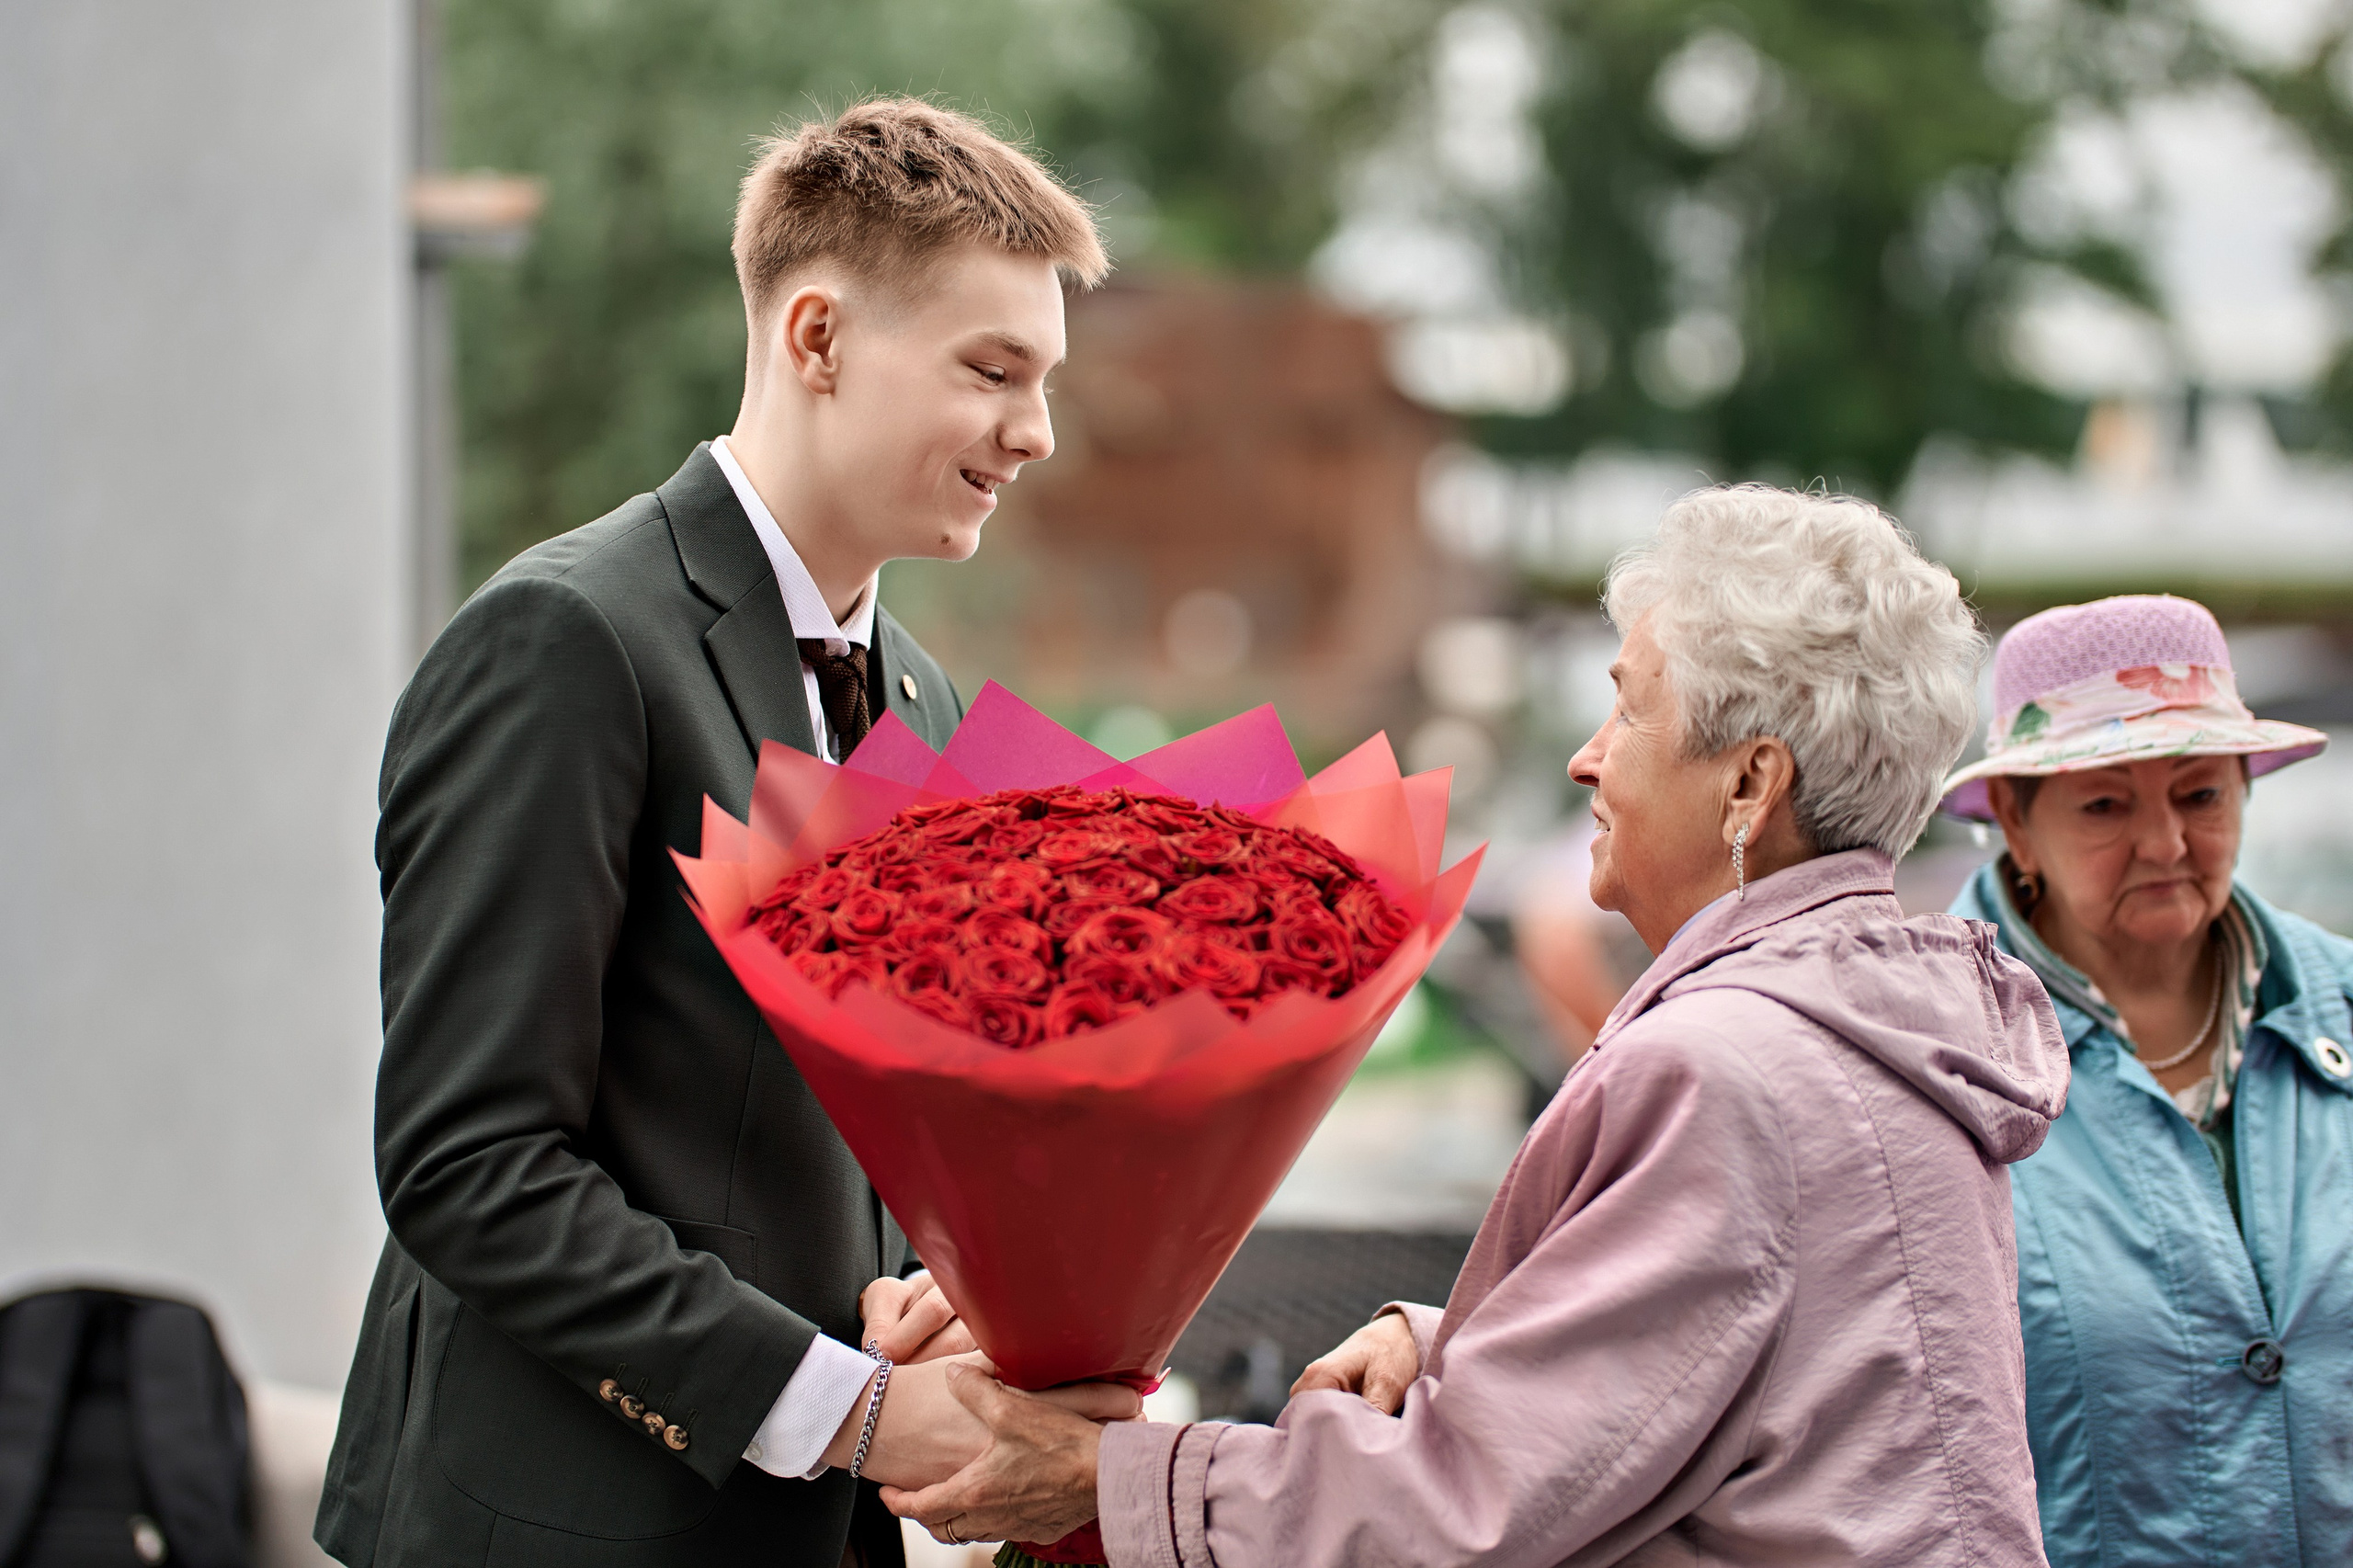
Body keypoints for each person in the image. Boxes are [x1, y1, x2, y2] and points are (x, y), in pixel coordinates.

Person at [882, 486, 2072, 1565]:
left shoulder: (1725, 1071)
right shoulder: (1883, 1031)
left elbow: (1466, 1509)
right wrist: (1461, 1342)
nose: (1584, 757)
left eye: (1628, 707)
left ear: (1750, 784)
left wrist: (1107, 1480)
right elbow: (1776, 1375)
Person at [313, 99, 1138, 1568]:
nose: (1038, 430)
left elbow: (843, 1130)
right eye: (994, 370)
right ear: (816, 338)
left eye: (1047, 379)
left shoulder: (930, 701)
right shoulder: (565, 639)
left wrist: (928, 1290)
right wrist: (852, 1412)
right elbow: (468, 1162)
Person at [1938, 595, 2352, 1563]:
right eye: (2105, 803)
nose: (2164, 843)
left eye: (2200, 794)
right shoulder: (1934, 1055)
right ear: (2014, 820)